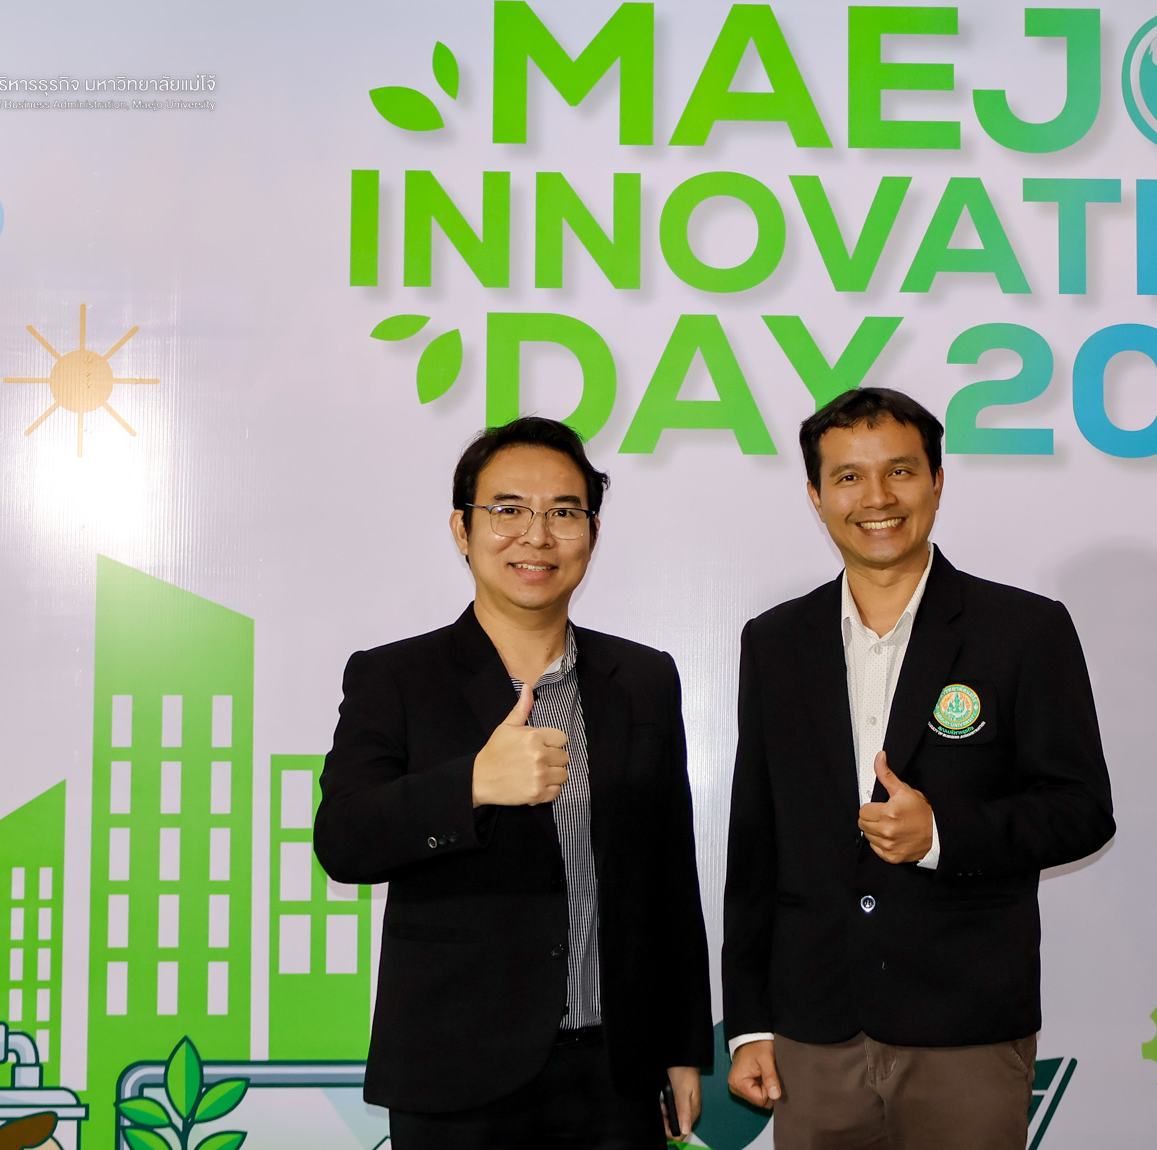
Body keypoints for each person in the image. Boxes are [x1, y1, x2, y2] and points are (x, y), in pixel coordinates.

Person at [721, 388, 1115, 1150]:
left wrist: (941, 836)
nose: (877, 497)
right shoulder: (774, 642)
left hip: (965, 1027)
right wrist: (749, 1024)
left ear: (936, 481)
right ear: (816, 495)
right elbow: (756, 841)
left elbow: (1081, 809)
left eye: (899, 471)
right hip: (814, 1033)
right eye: (848, 477)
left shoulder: (1024, 630)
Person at [314, 416, 711, 1148]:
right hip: (458, 1076)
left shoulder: (643, 679)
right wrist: (470, 785)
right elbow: (344, 839)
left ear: (591, 532)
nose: (537, 536)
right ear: (462, 530)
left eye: (564, 512)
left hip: (615, 1073)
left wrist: (683, 1046)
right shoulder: (395, 677)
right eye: (508, 511)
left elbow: (668, 877)